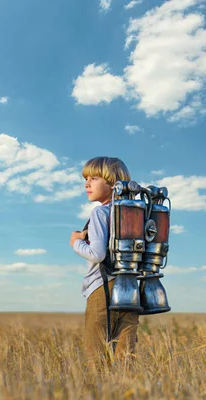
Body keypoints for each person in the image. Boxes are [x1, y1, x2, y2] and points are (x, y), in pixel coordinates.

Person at [69, 156, 139, 366]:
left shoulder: (100, 212)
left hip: (103, 288)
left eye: (94, 178)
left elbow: (97, 254)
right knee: (125, 356)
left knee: (97, 354)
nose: (87, 184)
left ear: (113, 182)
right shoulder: (134, 213)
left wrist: (75, 242)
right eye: (86, 178)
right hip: (131, 287)